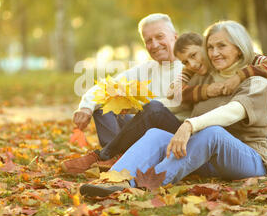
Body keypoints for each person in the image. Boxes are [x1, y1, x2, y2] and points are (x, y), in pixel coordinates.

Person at [80, 20, 267, 197]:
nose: (214, 53)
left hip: (248, 159)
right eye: (210, 47)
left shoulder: (257, 81)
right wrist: (138, 110)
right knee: (156, 134)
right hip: (207, 160)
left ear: (239, 48)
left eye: (221, 46)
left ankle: (145, 185)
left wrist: (190, 125)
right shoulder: (203, 77)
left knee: (212, 133)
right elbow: (173, 104)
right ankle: (113, 180)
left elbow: (234, 111)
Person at [62, 13, 188, 173]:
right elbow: (106, 86)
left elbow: (176, 105)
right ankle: (118, 157)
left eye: (159, 36)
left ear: (175, 37)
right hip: (144, 128)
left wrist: (136, 107)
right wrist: (86, 107)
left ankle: (105, 155)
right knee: (105, 103)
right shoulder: (146, 69)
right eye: (148, 40)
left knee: (153, 108)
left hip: (175, 134)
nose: (154, 44)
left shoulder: (190, 66)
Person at [168, 32, 267, 163]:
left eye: (193, 55)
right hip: (240, 106)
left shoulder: (243, 56)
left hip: (265, 107)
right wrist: (207, 90)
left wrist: (239, 76)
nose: (192, 64)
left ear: (205, 47)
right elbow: (173, 92)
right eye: (185, 62)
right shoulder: (192, 68)